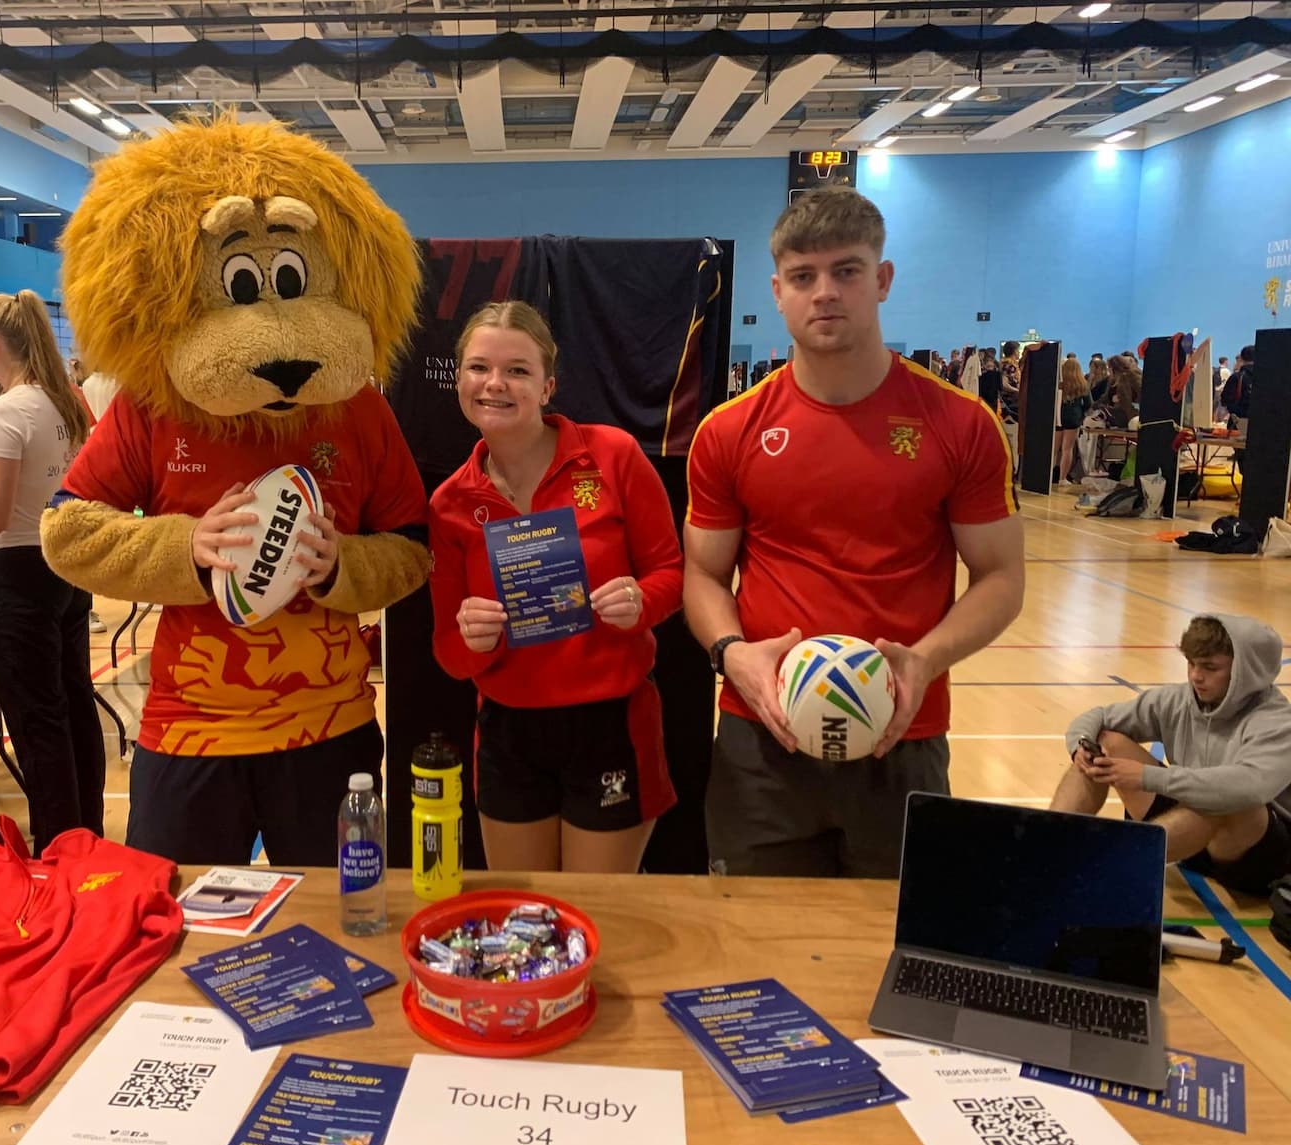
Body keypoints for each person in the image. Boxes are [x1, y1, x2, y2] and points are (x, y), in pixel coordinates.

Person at [683, 187, 1025, 879]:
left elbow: (1001, 578)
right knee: (756, 950)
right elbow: (703, 575)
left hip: (903, 736)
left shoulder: (959, 424)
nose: (825, 293)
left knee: (892, 951)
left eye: (846, 270)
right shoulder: (728, 430)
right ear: (777, 291)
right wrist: (732, 654)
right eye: (804, 277)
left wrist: (924, 661)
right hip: (763, 738)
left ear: (883, 280)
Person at [429, 301, 684, 873]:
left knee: (598, 921)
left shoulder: (613, 456)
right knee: (526, 921)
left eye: (517, 370)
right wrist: (474, 639)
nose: (495, 383)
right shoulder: (450, 504)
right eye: (478, 368)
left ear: (547, 385)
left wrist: (640, 603)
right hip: (509, 735)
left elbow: (670, 573)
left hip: (609, 726)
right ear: (460, 379)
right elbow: (448, 653)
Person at [0, 290, 103, 853]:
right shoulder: (68, 399)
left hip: (14, 567)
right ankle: (87, 834)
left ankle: (58, 841)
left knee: (38, 717)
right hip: (63, 561)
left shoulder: (7, 409)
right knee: (74, 703)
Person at [1051, 614, 1291, 897]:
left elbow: (1249, 786)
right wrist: (1080, 745)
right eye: (1191, 663)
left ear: (1245, 672)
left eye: (1210, 667)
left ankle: (1111, 868)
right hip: (1190, 834)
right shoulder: (1178, 700)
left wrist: (1147, 776)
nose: (1195, 676)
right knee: (1105, 742)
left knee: (1227, 799)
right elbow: (1100, 717)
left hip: (1251, 854)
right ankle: (1047, 845)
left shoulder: (1277, 720)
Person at [1055, 354, 1090, 489]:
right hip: (1074, 417)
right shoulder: (1082, 384)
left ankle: (1048, 476)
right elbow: (1088, 404)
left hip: (1058, 417)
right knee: (1067, 449)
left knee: (1054, 449)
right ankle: (1062, 478)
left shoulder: (1059, 384)